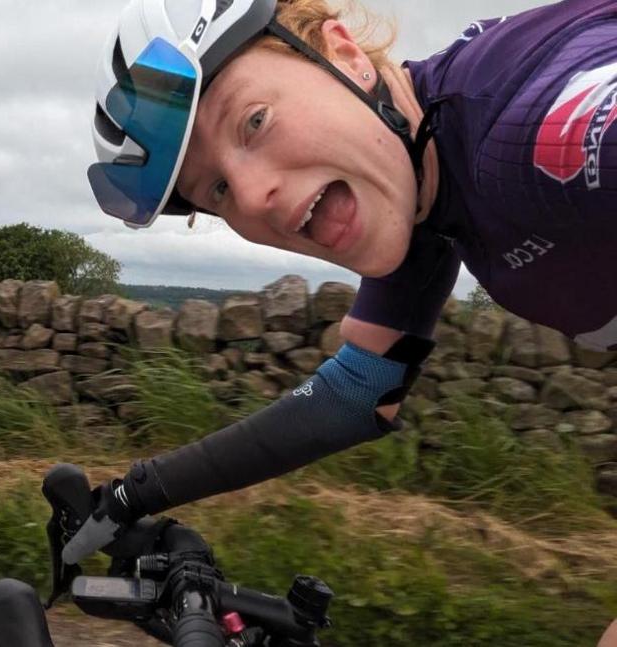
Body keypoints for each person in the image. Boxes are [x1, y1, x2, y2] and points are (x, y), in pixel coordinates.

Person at [71, 0, 617, 642]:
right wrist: (132, 497)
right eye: (216, 191)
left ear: (345, 55)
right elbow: (356, 396)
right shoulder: (425, 176)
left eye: (253, 121)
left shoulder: (542, 128)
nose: (249, 198)